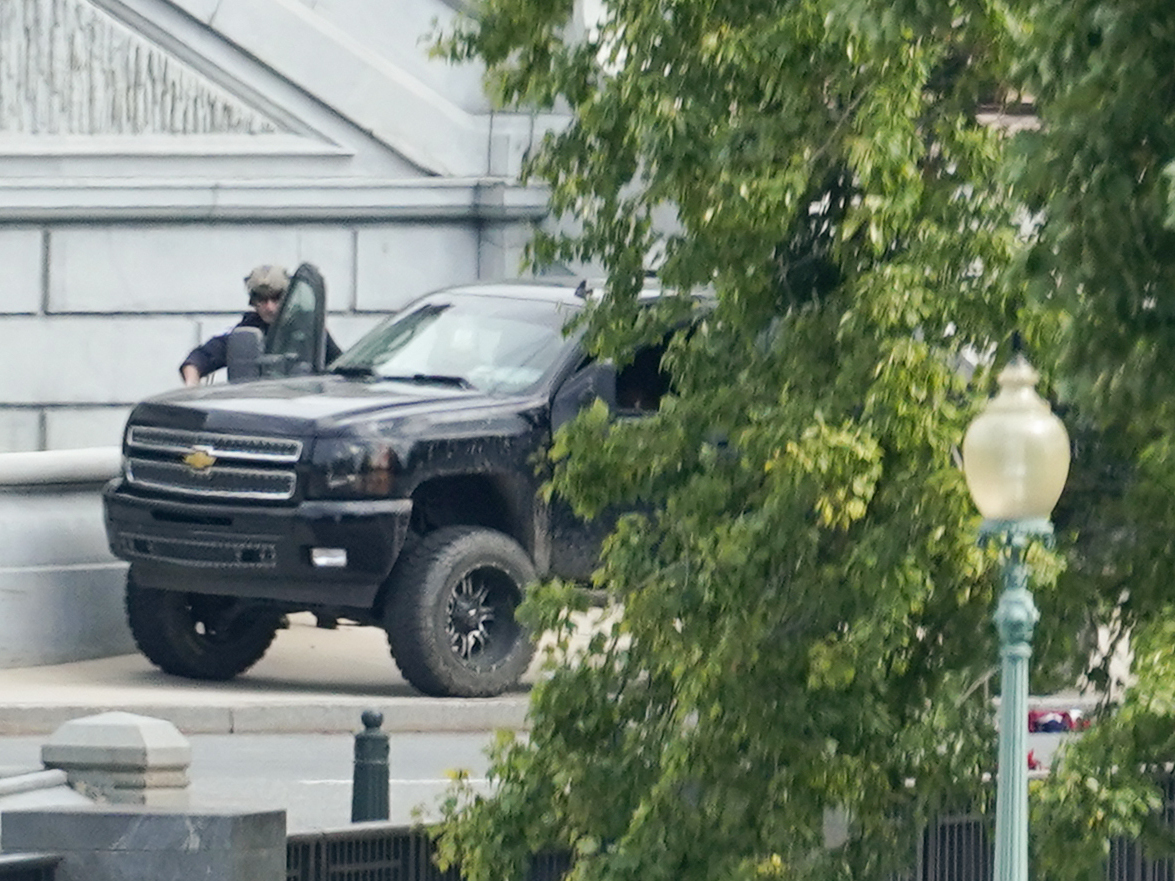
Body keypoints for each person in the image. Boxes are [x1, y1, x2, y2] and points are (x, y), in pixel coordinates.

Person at [179, 264, 341, 386]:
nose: (269, 307)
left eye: (276, 298)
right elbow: (199, 358)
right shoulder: (244, 331)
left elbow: (340, 366)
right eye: (262, 300)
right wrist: (192, 385)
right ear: (253, 302)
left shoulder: (307, 329)